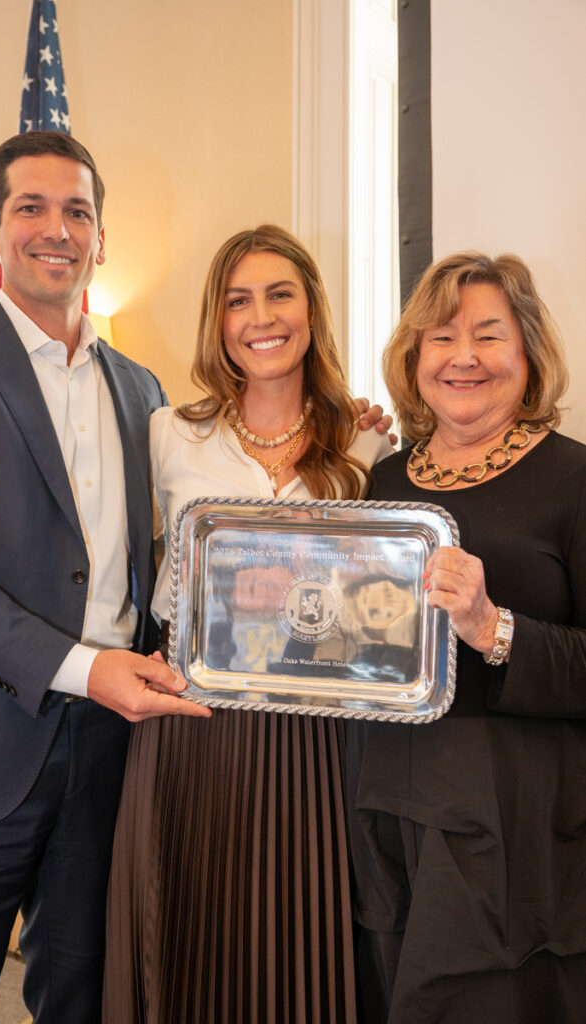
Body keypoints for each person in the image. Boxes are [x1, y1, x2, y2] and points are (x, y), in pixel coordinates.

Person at [0, 130, 212, 1024]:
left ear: (100, 238)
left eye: (77, 211)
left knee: (86, 999)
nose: (56, 229)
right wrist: (84, 669)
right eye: (30, 207)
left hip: (114, 754)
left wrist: (354, 438)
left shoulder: (142, 390)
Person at [103, 224, 393, 1023]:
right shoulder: (169, 432)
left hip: (313, 729)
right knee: (192, 928)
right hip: (190, 717)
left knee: (296, 930)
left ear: (311, 311)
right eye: (238, 300)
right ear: (218, 320)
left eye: (278, 295)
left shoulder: (365, 440)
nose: (260, 317)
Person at [345, 252, 586, 1023]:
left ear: (528, 352)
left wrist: (491, 627)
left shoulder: (574, 480)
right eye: (441, 337)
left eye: (488, 335)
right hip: (383, 796)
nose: (463, 357)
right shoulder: (382, 483)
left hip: (512, 815)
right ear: (413, 356)